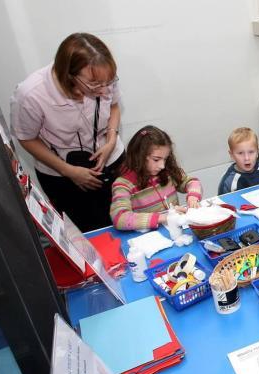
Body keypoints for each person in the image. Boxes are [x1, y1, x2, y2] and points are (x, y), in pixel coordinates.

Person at [11, 32, 125, 232]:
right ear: (69, 74)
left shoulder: (103, 78)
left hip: (111, 160)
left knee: (127, 223)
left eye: (108, 83)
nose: (103, 90)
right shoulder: (31, 94)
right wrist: (68, 171)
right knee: (89, 234)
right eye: (94, 84)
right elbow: (27, 138)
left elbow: (114, 106)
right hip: (63, 176)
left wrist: (111, 141)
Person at [110, 126, 202, 231]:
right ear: (139, 156)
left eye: (165, 159)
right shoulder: (123, 184)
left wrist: (193, 196)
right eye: (156, 159)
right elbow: (120, 218)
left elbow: (192, 182)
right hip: (150, 236)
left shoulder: (168, 171)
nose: (162, 166)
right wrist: (164, 218)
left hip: (175, 231)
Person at [219, 127, 259, 195]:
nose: (247, 158)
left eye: (251, 152)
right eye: (240, 153)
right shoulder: (228, 181)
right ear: (232, 155)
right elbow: (222, 201)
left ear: (257, 152)